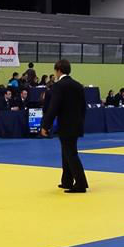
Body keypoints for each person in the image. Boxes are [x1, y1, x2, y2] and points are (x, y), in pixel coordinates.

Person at [41, 59, 87, 193]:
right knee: (66, 152)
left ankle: (81, 183)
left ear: (58, 70)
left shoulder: (58, 86)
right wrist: (80, 122)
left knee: (70, 154)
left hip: (66, 125)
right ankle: (67, 180)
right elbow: (83, 107)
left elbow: (53, 107)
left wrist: (45, 125)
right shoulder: (78, 85)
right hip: (76, 124)